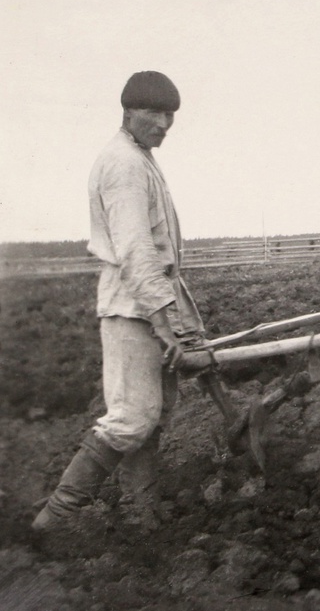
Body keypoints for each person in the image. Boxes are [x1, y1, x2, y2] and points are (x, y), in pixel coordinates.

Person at [32, 71, 205, 531]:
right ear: (128, 112)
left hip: (148, 304)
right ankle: (54, 520)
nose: (164, 123)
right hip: (133, 309)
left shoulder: (140, 158)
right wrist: (163, 322)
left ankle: (141, 514)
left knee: (154, 416)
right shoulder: (124, 164)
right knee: (132, 417)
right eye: (155, 113)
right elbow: (134, 249)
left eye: (170, 115)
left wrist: (173, 317)